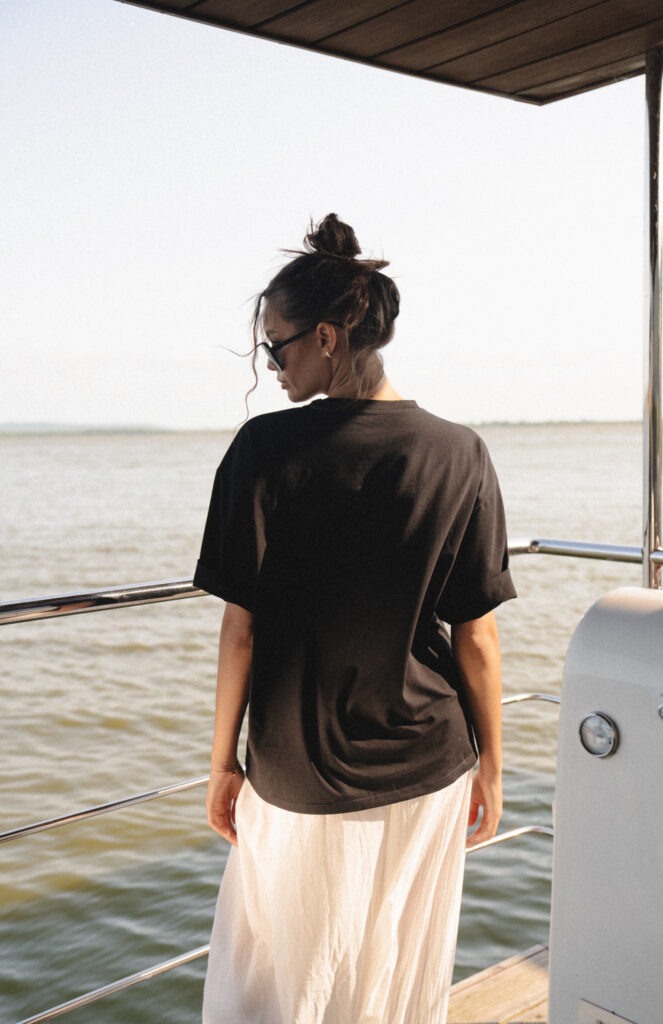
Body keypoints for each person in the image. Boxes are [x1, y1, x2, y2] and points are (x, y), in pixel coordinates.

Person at [194, 213, 516, 1024]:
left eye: (277, 346)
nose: (272, 365)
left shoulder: (264, 451)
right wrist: (492, 764)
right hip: (431, 760)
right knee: (398, 978)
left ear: (328, 338)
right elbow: (476, 635)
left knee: (276, 987)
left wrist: (222, 764)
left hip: (299, 769)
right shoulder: (460, 452)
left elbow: (242, 630)